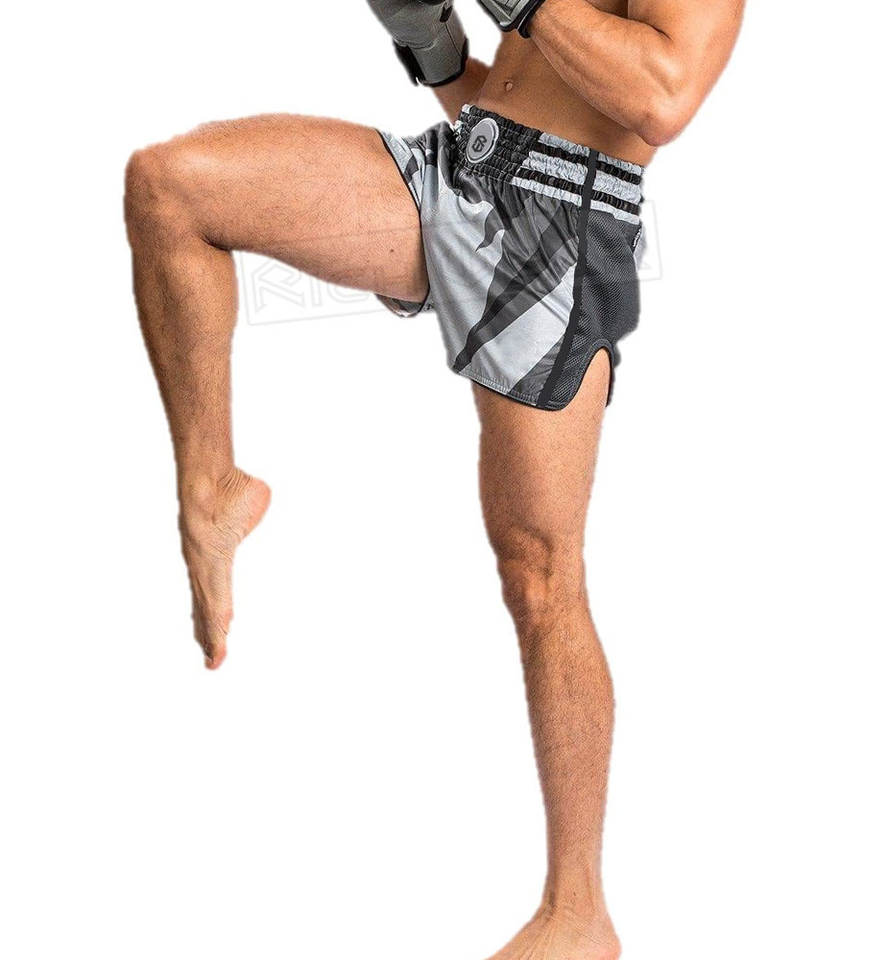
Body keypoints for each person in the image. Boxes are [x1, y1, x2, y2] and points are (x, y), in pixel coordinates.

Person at [123, 2, 743, 957]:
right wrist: (435, 43)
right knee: (171, 186)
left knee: (540, 577)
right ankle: (213, 490)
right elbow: (523, 88)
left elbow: (663, 97)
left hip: (560, 229)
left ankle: (579, 914)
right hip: (463, 167)